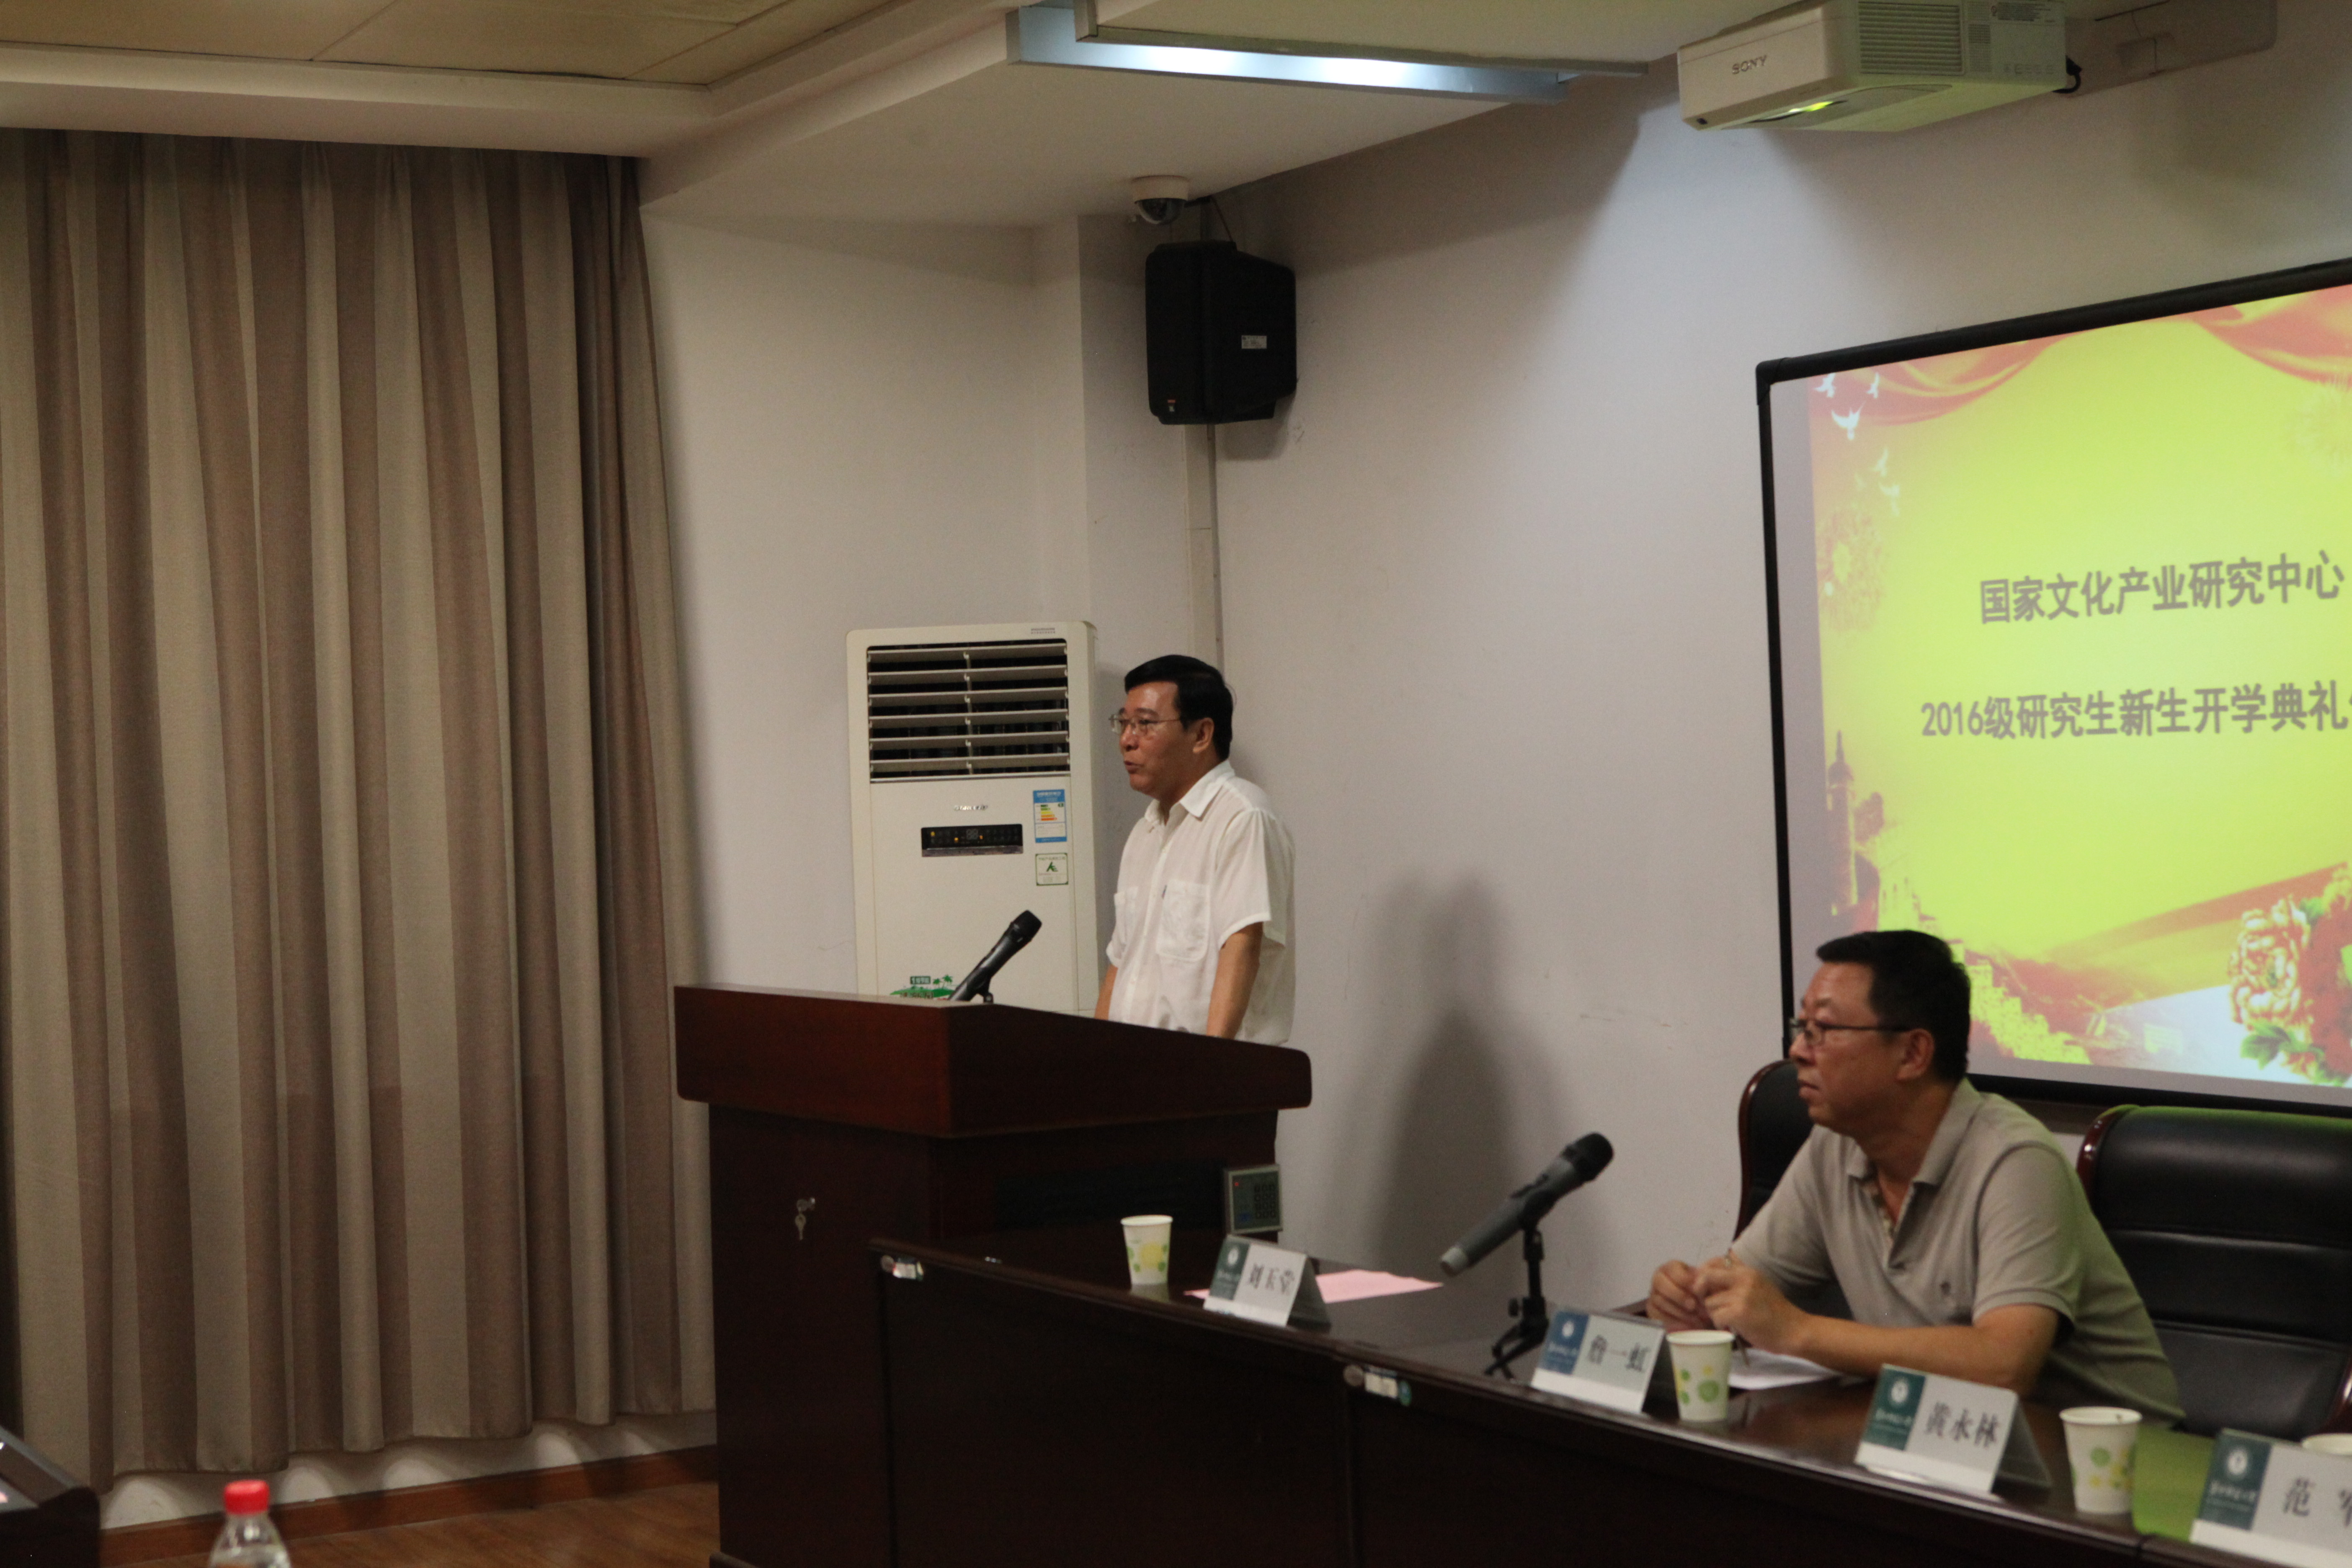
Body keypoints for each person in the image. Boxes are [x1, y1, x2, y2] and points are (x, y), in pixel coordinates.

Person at [1647, 929, 2182, 1422]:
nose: (1797, 1051)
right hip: (1940, 1440)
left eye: (1823, 1030)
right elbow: (1746, 1292)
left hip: (2113, 1460)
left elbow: (2005, 1365)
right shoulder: (1835, 1146)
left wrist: (1797, 1331)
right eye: (1801, 1028)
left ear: (1912, 1053)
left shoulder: (2016, 1162)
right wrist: (1696, 1299)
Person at [1094, 655, 1294, 1043]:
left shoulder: (1242, 817)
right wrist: (1097, 1059)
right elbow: (1120, 962)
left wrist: (1210, 1068)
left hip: (1208, 1071)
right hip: (1136, 1068)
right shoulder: (1144, 832)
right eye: (1124, 723)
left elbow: (1242, 947)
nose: (1127, 740)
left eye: (1145, 724)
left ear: (1201, 734)